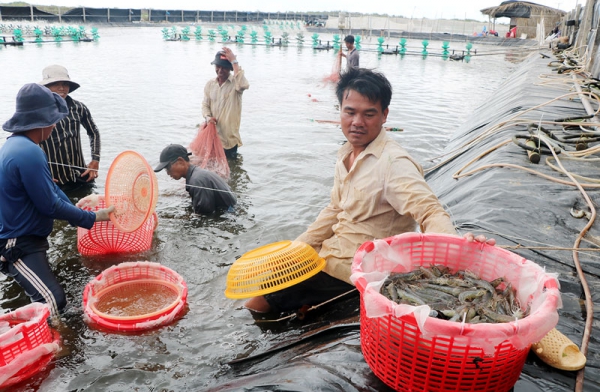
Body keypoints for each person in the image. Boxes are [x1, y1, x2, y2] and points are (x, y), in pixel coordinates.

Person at [244, 68, 494, 313]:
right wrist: (297, 248)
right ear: (339, 111)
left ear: (385, 115)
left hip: (355, 273)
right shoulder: (346, 153)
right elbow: (335, 209)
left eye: (369, 114)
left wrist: (457, 251)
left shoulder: (393, 163)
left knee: (258, 301)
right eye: (349, 112)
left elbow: (429, 211)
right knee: (271, 275)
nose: (357, 123)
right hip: (330, 255)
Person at [0, 83, 114, 318]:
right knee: (53, 301)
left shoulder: (19, 146)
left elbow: (50, 189)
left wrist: (74, 209)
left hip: (29, 238)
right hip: (16, 244)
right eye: (53, 120)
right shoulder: (29, 153)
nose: (54, 125)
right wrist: (92, 218)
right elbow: (49, 205)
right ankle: (61, 350)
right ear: (41, 121)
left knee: (53, 300)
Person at [38, 64, 101, 194]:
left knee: (89, 208)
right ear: (46, 88)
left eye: (65, 84)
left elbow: (93, 132)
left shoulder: (79, 108)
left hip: (81, 175)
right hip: (54, 179)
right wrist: (39, 174)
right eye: (56, 84)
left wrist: (95, 160)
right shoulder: (39, 112)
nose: (62, 88)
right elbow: (29, 146)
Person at [154, 144, 237, 214]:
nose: (168, 172)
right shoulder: (197, 174)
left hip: (230, 214)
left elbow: (204, 216)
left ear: (180, 161)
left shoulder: (197, 181)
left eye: (168, 167)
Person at [202, 47, 249, 160]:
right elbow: (205, 105)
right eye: (218, 66)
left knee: (231, 171)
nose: (220, 70)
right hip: (212, 137)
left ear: (230, 69)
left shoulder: (236, 85)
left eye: (224, 67)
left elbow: (243, 85)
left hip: (229, 140)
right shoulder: (210, 84)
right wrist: (208, 117)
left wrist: (234, 62)